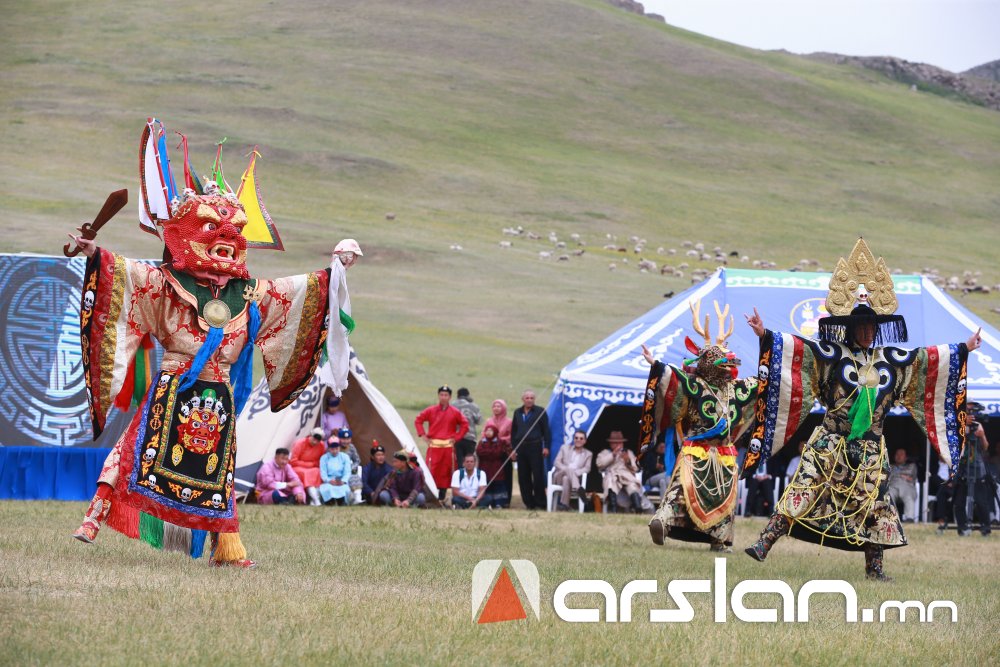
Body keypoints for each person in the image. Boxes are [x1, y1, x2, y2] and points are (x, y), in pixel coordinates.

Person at [70, 121, 350, 568]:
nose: (226, 239)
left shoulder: (249, 293)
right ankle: (94, 517)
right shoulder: (167, 283)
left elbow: (295, 292)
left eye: (233, 230)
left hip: (218, 394)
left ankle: (227, 549)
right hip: (174, 384)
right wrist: (92, 254)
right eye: (210, 227)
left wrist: (334, 274)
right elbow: (128, 275)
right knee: (132, 449)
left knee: (219, 471)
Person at [742, 238, 978, 581]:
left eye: (871, 327)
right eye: (861, 327)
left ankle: (875, 569)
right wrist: (765, 334)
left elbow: (926, 360)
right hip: (830, 443)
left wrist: (964, 348)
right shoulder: (832, 355)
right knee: (804, 486)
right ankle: (764, 542)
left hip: (870, 448)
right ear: (850, 329)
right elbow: (799, 351)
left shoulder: (890, 360)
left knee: (874, 503)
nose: (867, 332)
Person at [642, 299, 759, 551]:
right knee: (681, 488)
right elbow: (673, 377)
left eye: (729, 363)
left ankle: (720, 540)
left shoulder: (736, 388)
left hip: (725, 454)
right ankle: (662, 521)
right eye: (723, 362)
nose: (729, 367)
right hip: (696, 450)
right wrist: (656, 365)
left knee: (725, 497)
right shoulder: (695, 384)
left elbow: (760, 385)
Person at [414, 386, 469, 501]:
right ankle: (430, 495)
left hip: (448, 447)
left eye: (446, 395)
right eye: (441, 395)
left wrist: (457, 437)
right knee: (432, 470)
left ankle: (442, 496)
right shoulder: (430, 410)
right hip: (434, 446)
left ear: (450, 397)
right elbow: (418, 420)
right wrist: (423, 435)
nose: (443, 397)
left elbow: (465, 425)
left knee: (446, 471)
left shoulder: (455, 412)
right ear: (438, 396)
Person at [510, 389, 551, 510]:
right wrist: (513, 449)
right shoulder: (517, 412)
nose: (529, 400)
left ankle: (540, 502)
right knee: (523, 476)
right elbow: (514, 432)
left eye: (531, 398)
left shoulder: (540, 411)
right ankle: (528, 502)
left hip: (535, 446)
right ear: (523, 399)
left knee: (537, 476)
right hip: (521, 448)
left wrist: (546, 446)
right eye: (527, 398)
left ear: (534, 399)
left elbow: (546, 430)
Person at [954, 420, 993, 537]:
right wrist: (964, 428)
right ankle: (962, 527)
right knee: (959, 501)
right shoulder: (957, 422)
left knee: (981, 501)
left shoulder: (977, 425)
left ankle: (985, 527)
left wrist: (982, 436)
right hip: (962, 467)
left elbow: (985, 447)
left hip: (977, 468)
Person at [596, 431, 648, 513]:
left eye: (620, 443)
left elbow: (636, 468)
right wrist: (613, 455)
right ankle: (613, 509)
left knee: (632, 485)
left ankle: (637, 508)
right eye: (615, 443)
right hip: (612, 475)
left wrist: (628, 461)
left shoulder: (628, 452)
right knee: (610, 483)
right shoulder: (605, 452)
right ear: (611, 444)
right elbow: (600, 464)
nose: (618, 445)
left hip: (626, 475)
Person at [552, 430, 593, 510]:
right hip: (560, 475)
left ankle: (564, 505)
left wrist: (574, 473)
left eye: (581, 438)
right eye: (576, 438)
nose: (578, 440)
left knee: (566, 478)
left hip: (573, 478)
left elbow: (587, 468)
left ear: (585, 441)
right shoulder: (564, 448)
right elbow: (556, 462)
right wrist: (567, 469)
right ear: (573, 439)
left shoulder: (588, 454)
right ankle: (579, 489)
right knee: (568, 471)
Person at [484, 398, 514, 502]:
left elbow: (512, 436)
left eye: (499, 406)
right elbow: (484, 434)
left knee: (506, 475)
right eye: (494, 406)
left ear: (503, 408)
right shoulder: (489, 421)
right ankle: (490, 499)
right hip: (491, 453)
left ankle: (506, 500)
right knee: (490, 475)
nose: (496, 408)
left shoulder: (509, 421)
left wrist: (499, 439)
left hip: (504, 452)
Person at [476, 425, 512, 508]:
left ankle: (500, 503)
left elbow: (498, 453)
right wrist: (491, 452)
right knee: (487, 485)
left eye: (490, 431)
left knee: (498, 485)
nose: (488, 432)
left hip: (497, 468)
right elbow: (479, 452)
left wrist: (487, 452)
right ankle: (488, 503)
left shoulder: (500, 442)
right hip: (485, 468)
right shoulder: (482, 442)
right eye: (487, 431)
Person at [291, 427, 326, 505]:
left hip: (314, 468)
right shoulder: (299, 443)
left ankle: (314, 499)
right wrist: (309, 464)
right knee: (306, 473)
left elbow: (321, 460)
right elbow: (293, 461)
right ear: (310, 435)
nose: (315, 442)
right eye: (314, 438)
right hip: (298, 468)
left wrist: (313, 464)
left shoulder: (321, 445)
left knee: (319, 472)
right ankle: (315, 499)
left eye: (318, 440)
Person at [453, 388, 482, 469]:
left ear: (458, 395)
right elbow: (479, 421)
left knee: (459, 461)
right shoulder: (473, 406)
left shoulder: (452, 405)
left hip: (456, 437)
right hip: (470, 437)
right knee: (469, 461)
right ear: (468, 395)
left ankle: (460, 475)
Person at [887, 448, 918, 522]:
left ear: (906, 457)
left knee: (908, 495)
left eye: (901, 454)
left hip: (906, 486)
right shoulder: (889, 466)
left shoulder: (911, 466)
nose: (899, 456)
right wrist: (903, 475)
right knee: (888, 495)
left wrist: (896, 474)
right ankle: (894, 517)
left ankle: (909, 518)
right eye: (897, 454)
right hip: (893, 486)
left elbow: (909, 473)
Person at [319, 440, 352, 506]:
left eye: (337, 449)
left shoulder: (345, 457)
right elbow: (323, 473)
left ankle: (341, 502)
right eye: (332, 449)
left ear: (339, 448)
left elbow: (347, 472)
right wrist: (329, 480)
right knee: (327, 489)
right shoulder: (324, 458)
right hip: (329, 481)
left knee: (344, 489)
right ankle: (331, 502)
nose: (334, 451)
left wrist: (343, 481)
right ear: (328, 449)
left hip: (341, 480)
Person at [337, 428, 363, 504]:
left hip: (349, 470)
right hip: (337, 471)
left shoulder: (351, 447)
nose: (346, 441)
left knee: (355, 477)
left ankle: (357, 499)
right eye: (343, 439)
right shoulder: (335, 447)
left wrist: (351, 467)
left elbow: (357, 460)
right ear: (339, 438)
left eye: (348, 439)